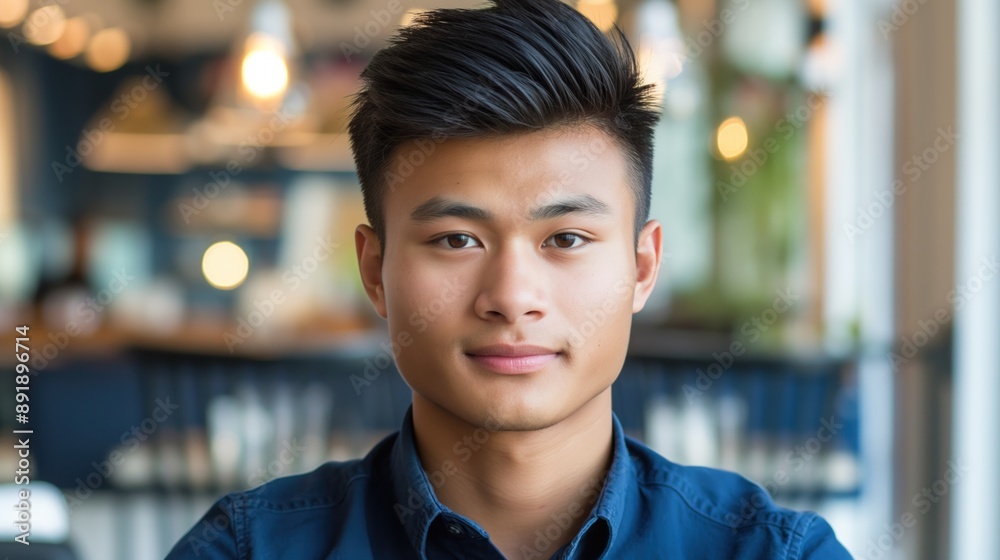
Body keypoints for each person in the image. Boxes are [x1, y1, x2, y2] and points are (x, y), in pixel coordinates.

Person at [166, 0, 854, 558]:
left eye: (566, 239)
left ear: (642, 267)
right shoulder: (249, 549)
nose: (512, 297)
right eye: (457, 239)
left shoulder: (771, 554)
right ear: (375, 271)